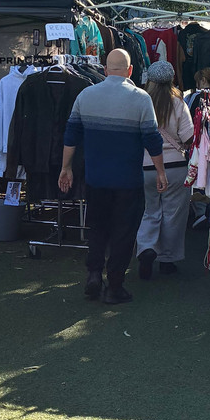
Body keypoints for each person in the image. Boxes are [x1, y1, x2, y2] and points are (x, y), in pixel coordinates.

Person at [59, 48, 166, 304]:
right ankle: (115, 285)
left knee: (97, 228)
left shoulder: (86, 95)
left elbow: (71, 136)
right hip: (128, 181)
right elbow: (152, 140)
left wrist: (66, 168)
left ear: (105, 70)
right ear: (130, 71)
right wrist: (160, 171)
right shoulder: (141, 99)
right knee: (124, 233)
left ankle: (94, 274)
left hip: (96, 179)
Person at [135, 61, 194, 279]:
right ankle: (167, 260)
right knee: (173, 214)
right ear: (171, 80)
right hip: (175, 167)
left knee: (149, 210)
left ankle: (146, 247)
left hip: (145, 166)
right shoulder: (178, 103)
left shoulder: (140, 102)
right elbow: (188, 137)